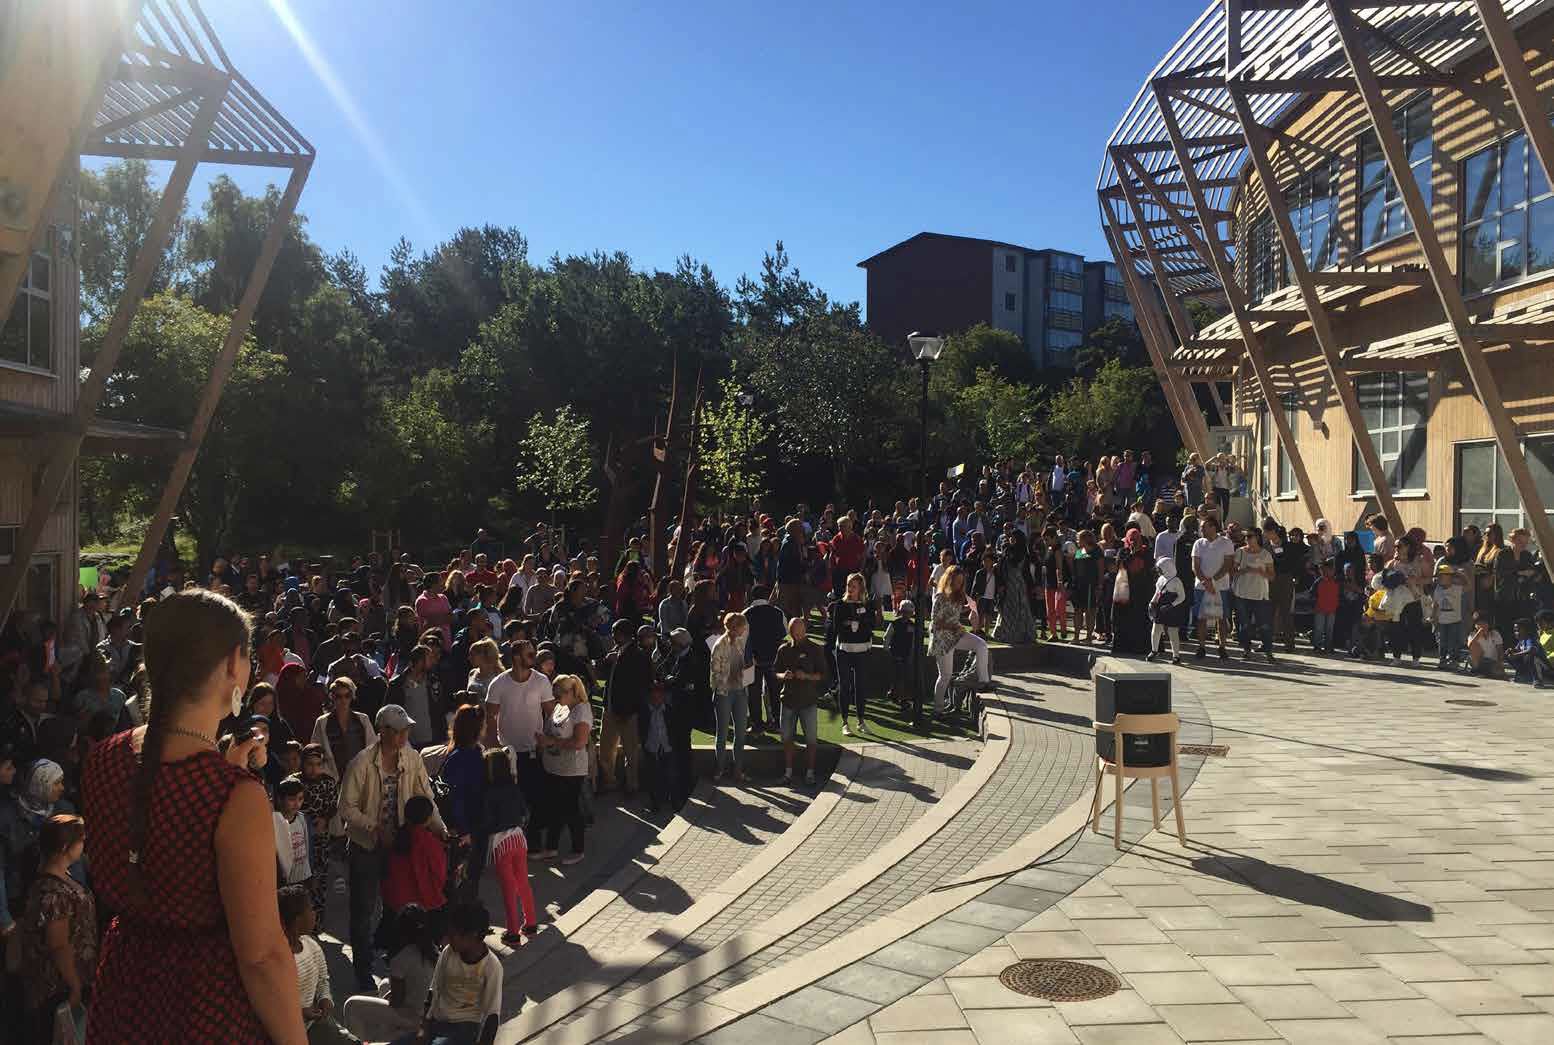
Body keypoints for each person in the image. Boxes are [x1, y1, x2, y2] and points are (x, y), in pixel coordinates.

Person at [82, 590, 307, 1043]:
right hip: (203, 1006)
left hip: (122, 992)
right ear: (231, 666)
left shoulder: (104, 757)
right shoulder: (232, 795)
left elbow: (153, 835)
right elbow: (261, 955)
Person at [337, 703, 448, 991]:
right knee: (363, 909)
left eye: (406, 731)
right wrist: (374, 827)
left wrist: (441, 829)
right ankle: (363, 969)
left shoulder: (412, 758)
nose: (404, 736)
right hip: (366, 845)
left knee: (398, 906)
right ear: (382, 731)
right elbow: (346, 808)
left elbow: (426, 797)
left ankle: (396, 964)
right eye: (399, 731)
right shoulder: (361, 763)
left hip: (401, 845)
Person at [18, 813, 95, 1041]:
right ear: (64, 846)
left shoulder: (64, 877)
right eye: (81, 840)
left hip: (72, 981)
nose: (84, 844)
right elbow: (59, 945)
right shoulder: (53, 892)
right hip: (59, 988)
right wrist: (74, 986)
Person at [391, 901, 501, 1045]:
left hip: (465, 1027)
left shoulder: (491, 966)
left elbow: (492, 1015)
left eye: (453, 935)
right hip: (437, 1023)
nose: (449, 939)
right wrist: (423, 1029)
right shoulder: (448, 953)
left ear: (472, 935)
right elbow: (433, 993)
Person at [342, 902, 437, 1042]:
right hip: (428, 1016)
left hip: (413, 1018)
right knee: (385, 984)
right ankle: (389, 1037)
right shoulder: (433, 951)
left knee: (351, 1005)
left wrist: (389, 998)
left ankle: (361, 1041)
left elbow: (397, 1002)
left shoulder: (401, 956)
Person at [278, 884, 358, 1044]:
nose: (314, 914)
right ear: (297, 920)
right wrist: (300, 1013)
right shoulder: (280, 958)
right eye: (311, 909)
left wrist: (325, 999)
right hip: (291, 1031)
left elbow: (322, 980)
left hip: (316, 1023)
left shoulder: (311, 945)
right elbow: (275, 1003)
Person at [482, 640, 553, 814]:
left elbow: (552, 715)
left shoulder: (541, 681)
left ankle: (533, 839)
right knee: (511, 803)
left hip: (534, 751)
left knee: (536, 801)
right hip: (507, 753)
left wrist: (549, 742)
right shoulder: (498, 683)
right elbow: (490, 718)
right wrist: (494, 749)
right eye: (529, 654)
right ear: (515, 657)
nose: (534, 657)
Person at [481, 748, 535, 946]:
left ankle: (512, 932)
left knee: (508, 888)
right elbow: (524, 811)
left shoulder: (489, 793)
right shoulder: (513, 786)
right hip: (519, 838)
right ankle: (531, 922)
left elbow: (487, 821)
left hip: (501, 842)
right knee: (523, 882)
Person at [535, 674, 591, 864]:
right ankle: (551, 847)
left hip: (571, 769)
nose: (555, 699)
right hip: (553, 766)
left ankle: (579, 849)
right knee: (554, 808)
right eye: (554, 694)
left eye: (558, 695)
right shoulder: (561, 707)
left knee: (571, 809)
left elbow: (579, 742)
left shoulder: (581, 710)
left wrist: (551, 741)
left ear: (572, 692)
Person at [599, 624, 653, 795]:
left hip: (628, 713)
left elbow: (639, 687)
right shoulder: (614, 652)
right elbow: (604, 675)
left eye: (616, 632)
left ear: (624, 635)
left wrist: (628, 711)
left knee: (631, 753)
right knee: (606, 751)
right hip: (610, 709)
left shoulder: (638, 655)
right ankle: (610, 782)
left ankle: (632, 785)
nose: (613, 635)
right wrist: (607, 662)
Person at [930, 567, 991, 717]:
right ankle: (937, 710)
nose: (959, 584)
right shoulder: (940, 596)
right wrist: (954, 627)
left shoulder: (958, 595)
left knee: (981, 645)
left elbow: (955, 611)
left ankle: (984, 682)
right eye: (956, 581)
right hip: (942, 639)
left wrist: (969, 608)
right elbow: (935, 623)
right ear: (949, 579)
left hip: (956, 635)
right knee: (945, 676)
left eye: (961, 582)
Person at [774, 616, 825, 786]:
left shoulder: (815, 649)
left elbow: (823, 675)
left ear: (805, 630)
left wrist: (807, 676)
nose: (797, 633)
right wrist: (784, 675)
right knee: (787, 738)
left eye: (799, 630)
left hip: (808, 701)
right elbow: (775, 672)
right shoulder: (783, 649)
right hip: (788, 699)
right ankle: (788, 772)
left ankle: (810, 773)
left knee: (811, 739)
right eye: (793, 631)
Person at [382, 795, 447, 926]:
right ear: (428, 818)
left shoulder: (396, 837)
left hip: (395, 900)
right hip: (422, 902)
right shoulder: (430, 842)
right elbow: (439, 874)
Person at [829, 574, 876, 737]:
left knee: (860, 686)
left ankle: (861, 721)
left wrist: (859, 623)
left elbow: (872, 624)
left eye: (854, 586)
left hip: (862, 649)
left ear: (861, 588)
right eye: (849, 585)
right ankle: (844, 722)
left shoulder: (867, 604)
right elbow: (836, 627)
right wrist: (849, 624)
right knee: (845, 685)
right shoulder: (839, 605)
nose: (850, 588)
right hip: (844, 650)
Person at [298, 744, 339, 925]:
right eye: (309, 764)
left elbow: (333, 806)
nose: (313, 769)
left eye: (318, 764)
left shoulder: (328, 782)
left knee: (320, 879)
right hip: (298, 839)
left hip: (320, 839)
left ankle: (317, 920)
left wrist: (324, 819)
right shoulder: (295, 782)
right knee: (300, 879)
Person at [708, 612, 751, 780]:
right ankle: (719, 768)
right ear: (735, 627)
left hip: (740, 691)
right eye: (742, 626)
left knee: (741, 733)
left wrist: (747, 673)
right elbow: (714, 674)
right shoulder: (719, 645)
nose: (745, 629)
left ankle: (738, 769)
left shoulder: (741, 642)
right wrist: (731, 677)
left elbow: (744, 666)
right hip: (724, 693)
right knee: (723, 733)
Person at [311, 677, 377, 782]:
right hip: (334, 779)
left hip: (360, 777)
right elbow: (315, 750)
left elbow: (372, 748)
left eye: (347, 696)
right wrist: (326, 771)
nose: (343, 700)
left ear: (352, 697)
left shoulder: (362, 719)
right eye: (338, 696)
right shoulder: (322, 722)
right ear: (332, 697)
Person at [743, 585, 787, 735]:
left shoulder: (745, 614)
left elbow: (743, 639)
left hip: (750, 661)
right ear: (767, 596)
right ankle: (777, 722)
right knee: (775, 692)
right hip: (774, 659)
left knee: (752, 694)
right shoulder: (778, 613)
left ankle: (756, 725)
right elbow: (784, 633)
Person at [1192, 516, 1234, 659]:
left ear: (1213, 527)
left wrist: (1213, 581)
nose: (1201, 529)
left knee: (1222, 618)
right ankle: (1201, 646)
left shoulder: (1226, 543)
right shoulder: (1198, 543)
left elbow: (1228, 564)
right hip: (1201, 587)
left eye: (1204, 527)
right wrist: (1205, 581)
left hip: (1221, 587)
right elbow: (1195, 566)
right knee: (1201, 617)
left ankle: (1222, 646)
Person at [1232, 528, 1276, 663]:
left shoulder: (1265, 554)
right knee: (1244, 625)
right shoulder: (1239, 552)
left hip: (1260, 595)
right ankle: (1246, 650)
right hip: (1242, 594)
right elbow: (1233, 572)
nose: (1247, 539)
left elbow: (1272, 576)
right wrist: (1244, 570)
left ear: (1257, 537)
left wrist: (1260, 572)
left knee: (1264, 625)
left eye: (1250, 536)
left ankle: (1268, 652)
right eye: (1246, 537)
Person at [1145, 556, 1187, 664]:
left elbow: (1182, 597)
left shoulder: (1176, 581)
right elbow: (1157, 592)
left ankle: (1176, 656)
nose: (1159, 571)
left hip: (1172, 608)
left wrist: (1171, 605)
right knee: (1156, 629)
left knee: (1173, 631)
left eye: (1160, 569)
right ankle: (1154, 650)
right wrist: (1152, 602)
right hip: (1161, 606)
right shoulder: (1161, 579)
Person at [274, 775, 313, 888]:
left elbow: (307, 845)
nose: (297, 804)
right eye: (292, 799)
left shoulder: (302, 819)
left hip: (303, 875)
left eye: (300, 799)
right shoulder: (275, 821)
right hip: (285, 879)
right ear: (280, 799)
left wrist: (310, 871)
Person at [883, 600, 917, 710]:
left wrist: (912, 653)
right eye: (905, 612)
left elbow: (913, 641)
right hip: (896, 653)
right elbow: (887, 637)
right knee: (899, 675)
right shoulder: (894, 624)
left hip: (907, 654)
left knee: (904, 676)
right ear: (901, 612)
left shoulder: (913, 626)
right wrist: (886, 648)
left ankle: (894, 693)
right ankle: (902, 699)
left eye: (909, 612)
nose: (907, 615)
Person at [1434, 562, 1467, 670]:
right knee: (1442, 642)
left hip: (1454, 620)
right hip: (1442, 621)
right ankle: (1442, 659)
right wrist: (1434, 619)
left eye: (1442, 576)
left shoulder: (1456, 588)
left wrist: (1461, 575)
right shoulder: (1437, 589)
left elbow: (1468, 586)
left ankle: (1454, 660)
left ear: (1450, 577)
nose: (1439, 579)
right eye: (1438, 576)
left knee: (1454, 641)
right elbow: (1436, 605)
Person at [1310, 559, 1341, 655]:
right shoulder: (1318, 581)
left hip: (1332, 609)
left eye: (1327, 570)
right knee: (1319, 629)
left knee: (1329, 629)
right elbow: (1312, 593)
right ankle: (1317, 647)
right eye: (1322, 570)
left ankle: (1328, 647)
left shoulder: (1336, 581)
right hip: (1320, 608)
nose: (1325, 572)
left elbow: (1339, 594)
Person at [1467, 608, 1505, 677]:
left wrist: (1500, 664)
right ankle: (1480, 671)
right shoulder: (1472, 634)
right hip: (1480, 661)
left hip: (1492, 662)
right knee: (1470, 656)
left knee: (1498, 672)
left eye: (1484, 623)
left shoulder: (1495, 634)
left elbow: (1500, 651)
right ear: (1475, 625)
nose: (1482, 626)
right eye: (1479, 624)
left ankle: (1486, 672)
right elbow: (1471, 646)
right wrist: (1478, 635)